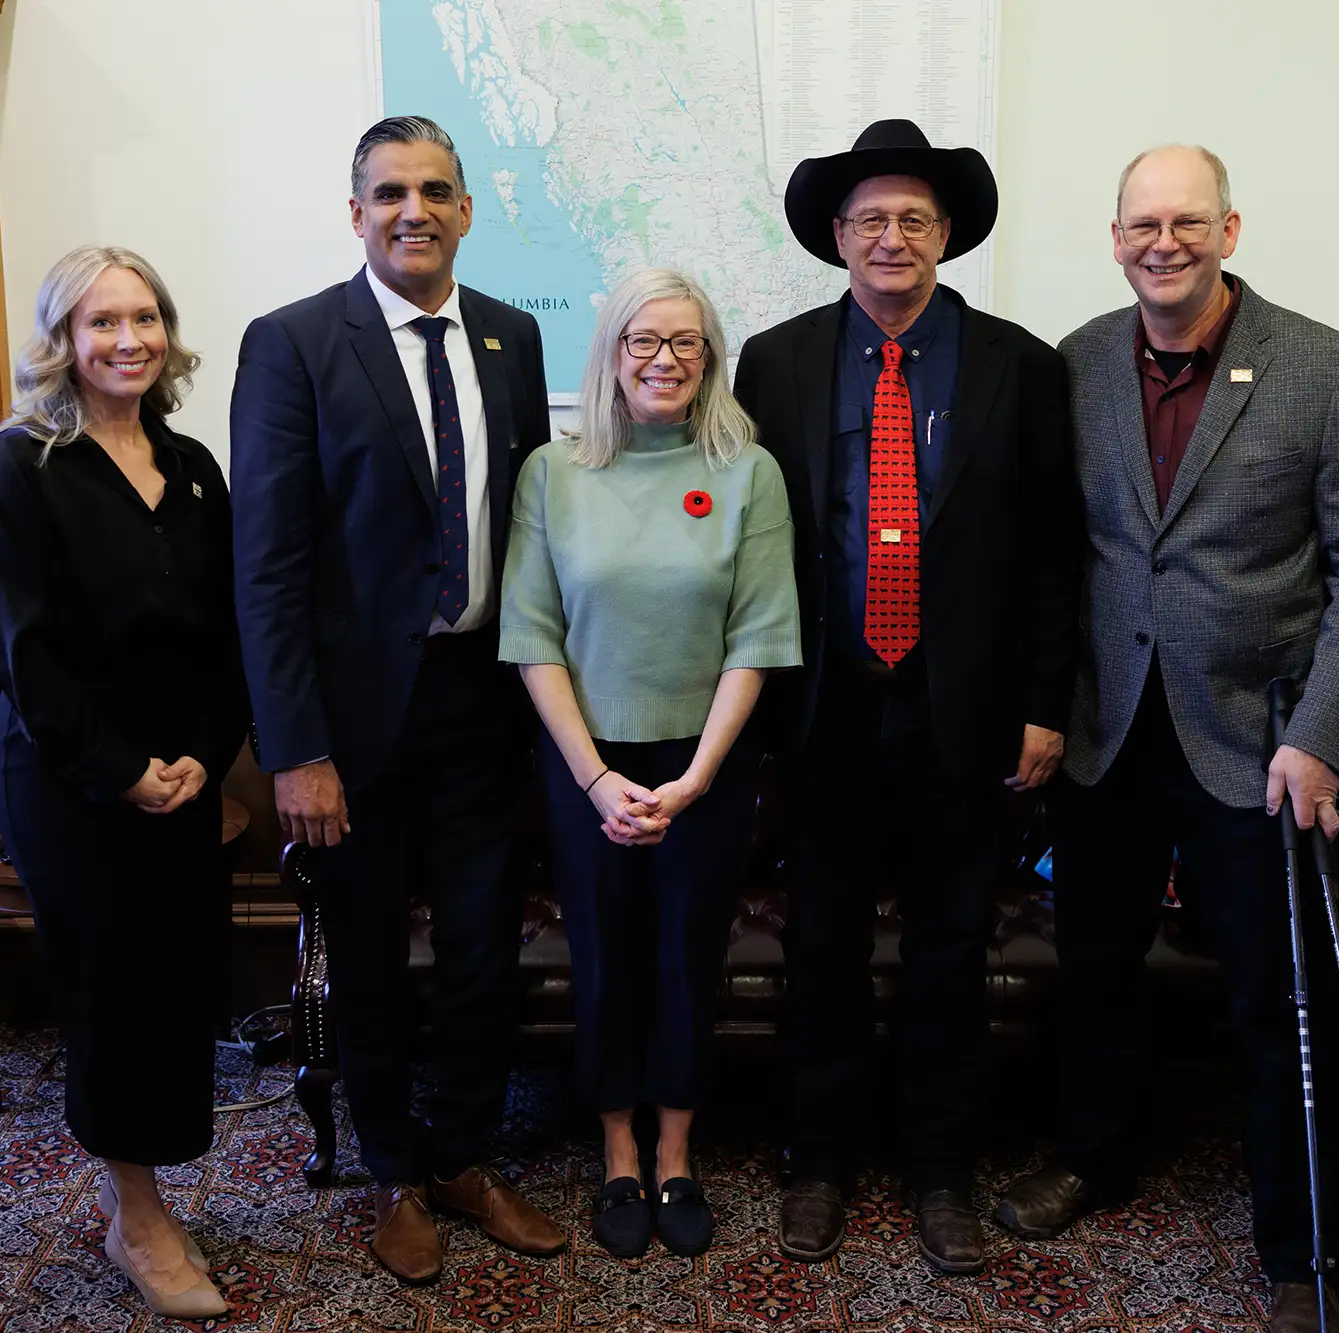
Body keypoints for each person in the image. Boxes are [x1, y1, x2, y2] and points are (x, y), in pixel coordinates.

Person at [991, 145, 1339, 1333]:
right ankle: (1096, 1154)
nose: (1160, 243)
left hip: (1257, 741)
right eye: (1139, 225)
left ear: (1229, 228)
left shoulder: (1324, 367)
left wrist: (1321, 736)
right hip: (1105, 732)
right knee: (1096, 974)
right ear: (1112, 237)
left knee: (1281, 1001)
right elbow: (1057, 551)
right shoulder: (1073, 363)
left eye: (1184, 222)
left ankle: (1303, 1249)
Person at [734, 119, 1083, 1274]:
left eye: (913, 219)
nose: (891, 236)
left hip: (961, 709)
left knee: (948, 946)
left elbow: (1050, 552)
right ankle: (820, 1161)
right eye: (869, 218)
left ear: (946, 237)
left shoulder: (1019, 366)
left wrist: (1042, 704)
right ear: (836, 236)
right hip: (824, 705)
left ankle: (941, 1170)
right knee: (822, 944)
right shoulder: (773, 361)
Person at [229, 115, 563, 1284]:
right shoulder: (293, 343)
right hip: (353, 723)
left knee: (481, 945)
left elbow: (529, 525)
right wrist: (294, 749)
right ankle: (388, 1174)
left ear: (467, 209)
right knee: (369, 953)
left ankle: (464, 1156)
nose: (411, 210)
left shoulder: (511, 340)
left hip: (480, 700)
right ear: (355, 212)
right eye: (386, 193)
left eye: (433, 190)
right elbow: (265, 565)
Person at [0, 245, 247, 1319]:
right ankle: (139, 1218)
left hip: (182, 774)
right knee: (112, 990)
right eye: (101, 322)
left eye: (144, 318)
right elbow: (20, 651)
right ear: (63, 342)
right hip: (70, 781)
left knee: (176, 986)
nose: (128, 339)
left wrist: (202, 761)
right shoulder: (19, 465)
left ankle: (148, 1185)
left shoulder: (194, 465)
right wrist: (121, 773)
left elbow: (229, 641)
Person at [500, 268, 801, 1259]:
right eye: (642, 341)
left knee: (683, 955)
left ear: (709, 358)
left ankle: (676, 1151)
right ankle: (616, 1147)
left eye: (684, 342)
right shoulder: (555, 470)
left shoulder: (748, 472)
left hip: (703, 761)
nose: (662, 360)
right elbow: (532, 635)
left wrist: (699, 775)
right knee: (605, 951)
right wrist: (592, 777)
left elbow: (758, 635)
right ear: (610, 354)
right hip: (582, 758)